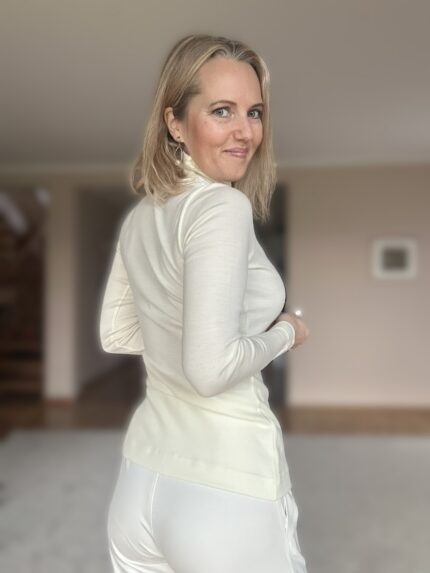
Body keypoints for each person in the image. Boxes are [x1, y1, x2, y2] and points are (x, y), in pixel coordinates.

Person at [99, 33, 310, 573]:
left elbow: (117, 334)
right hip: (223, 490)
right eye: (222, 111)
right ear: (174, 123)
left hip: (141, 485)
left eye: (254, 112)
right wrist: (286, 332)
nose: (246, 131)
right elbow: (209, 370)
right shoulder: (221, 207)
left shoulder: (142, 216)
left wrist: (191, 336)